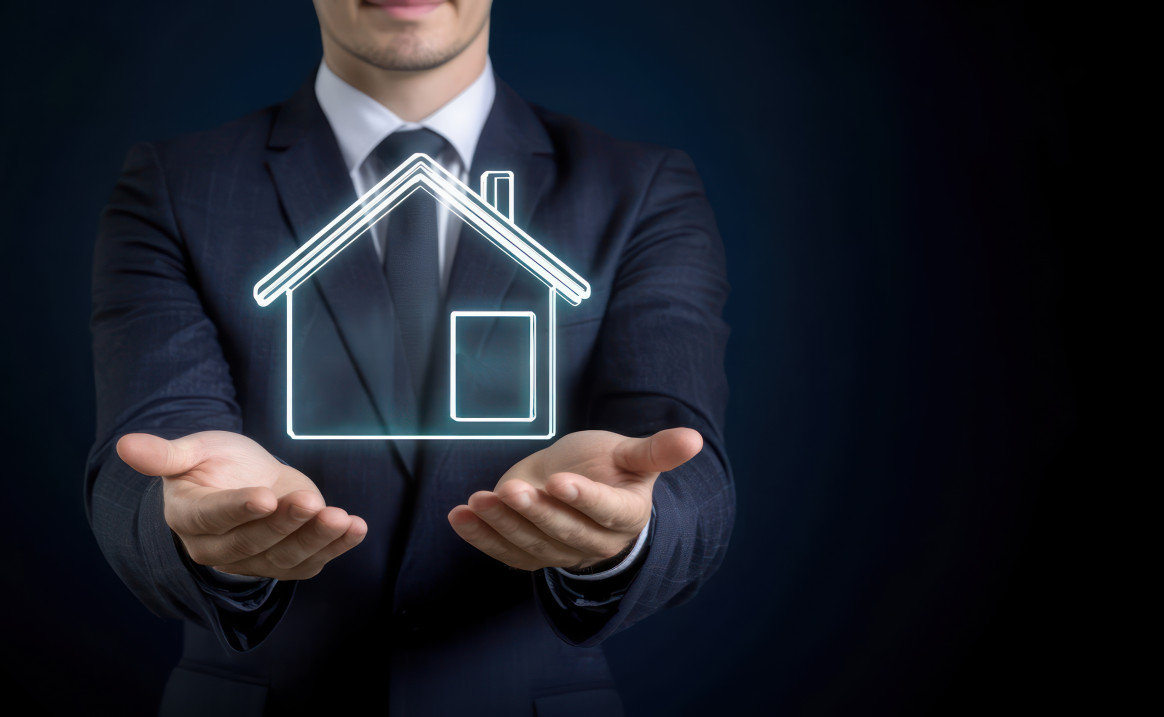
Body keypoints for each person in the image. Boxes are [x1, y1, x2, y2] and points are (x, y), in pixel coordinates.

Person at [85, 1, 732, 715]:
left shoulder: (640, 189)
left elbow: (686, 469)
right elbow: (141, 460)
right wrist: (199, 522)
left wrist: (625, 526)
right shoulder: (175, 186)